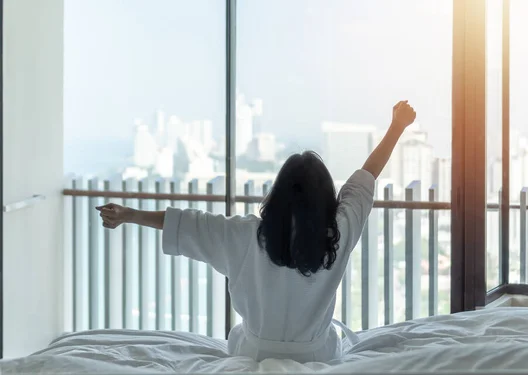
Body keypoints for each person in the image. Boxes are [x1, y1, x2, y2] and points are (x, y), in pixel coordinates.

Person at [97, 100, 416, 363]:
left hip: (254, 353)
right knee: (336, 333)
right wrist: (396, 127)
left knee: (239, 334)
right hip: (316, 355)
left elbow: (187, 222)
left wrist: (129, 214)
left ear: (277, 194)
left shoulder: (246, 234)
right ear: (325, 199)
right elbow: (365, 177)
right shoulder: (339, 233)